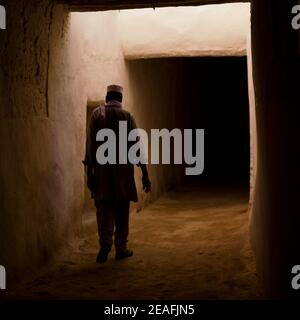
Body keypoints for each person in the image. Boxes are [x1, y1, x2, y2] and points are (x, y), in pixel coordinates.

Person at [83, 84, 151, 263]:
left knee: (104, 208)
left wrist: (89, 173)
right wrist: (145, 174)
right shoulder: (128, 117)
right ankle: (121, 247)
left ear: (107, 98)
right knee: (122, 210)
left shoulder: (96, 116)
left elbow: (90, 146)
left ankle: (105, 242)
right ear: (120, 99)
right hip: (123, 174)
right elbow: (137, 148)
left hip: (102, 173)